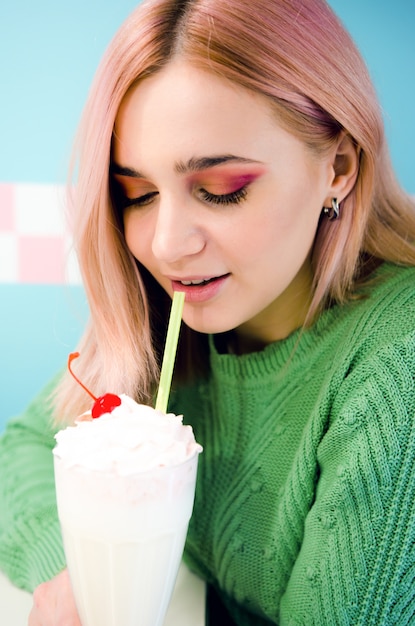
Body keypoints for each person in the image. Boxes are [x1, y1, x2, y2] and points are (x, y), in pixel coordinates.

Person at [1, 0, 415, 623]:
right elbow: (28, 446)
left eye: (221, 190)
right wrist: (69, 570)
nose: (166, 245)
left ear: (338, 167)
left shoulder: (395, 363)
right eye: (137, 194)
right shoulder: (170, 314)